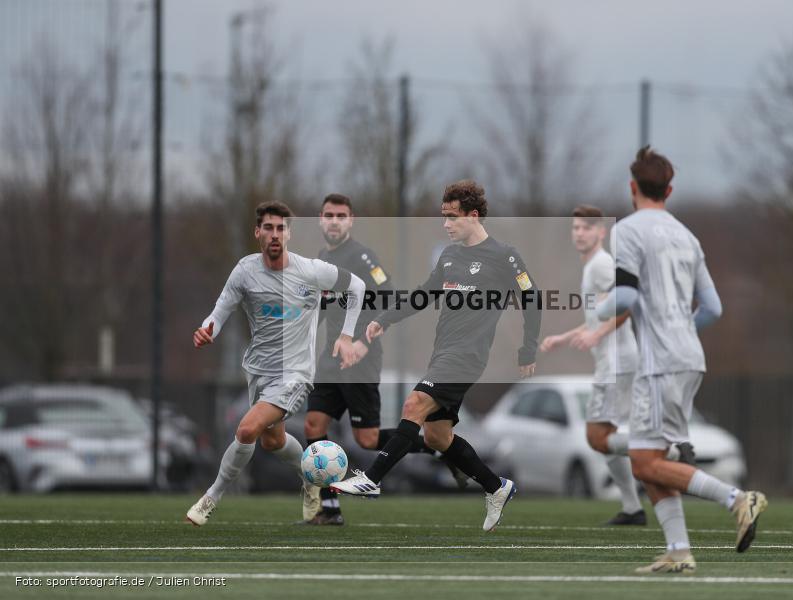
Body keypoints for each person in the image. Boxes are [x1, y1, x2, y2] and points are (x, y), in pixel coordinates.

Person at [331, 180, 542, 532]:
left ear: (474, 216)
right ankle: (496, 486)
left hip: (468, 356)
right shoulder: (449, 256)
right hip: (442, 353)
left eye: (452, 217)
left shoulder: (504, 256)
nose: (446, 224)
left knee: (413, 405)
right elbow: (423, 294)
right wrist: (385, 319)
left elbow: (532, 300)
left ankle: (372, 478)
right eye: (444, 217)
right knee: (436, 437)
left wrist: (527, 348)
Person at [596, 147, 766, 573]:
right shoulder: (688, 236)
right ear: (669, 189)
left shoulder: (629, 231)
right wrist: (680, 328)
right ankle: (678, 551)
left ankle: (737, 499)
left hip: (660, 362)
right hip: (689, 355)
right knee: (651, 461)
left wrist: (596, 310)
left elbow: (626, 296)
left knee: (643, 462)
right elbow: (713, 308)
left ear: (632, 187)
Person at [186, 201, 365, 526]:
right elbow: (220, 309)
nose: (274, 234)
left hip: (295, 373)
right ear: (257, 232)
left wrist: (348, 335)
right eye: (268, 228)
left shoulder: (310, 271)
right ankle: (310, 479)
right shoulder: (245, 271)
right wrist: (208, 329)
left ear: (288, 234)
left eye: (280, 228)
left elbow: (357, 286)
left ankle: (210, 498)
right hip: (259, 371)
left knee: (247, 429)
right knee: (273, 440)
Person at [303, 194, 460, 526]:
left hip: (361, 359)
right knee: (314, 426)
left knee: (367, 439)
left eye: (341, 215)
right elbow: (320, 308)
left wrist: (360, 343)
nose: (334, 221)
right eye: (328, 215)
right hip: (330, 361)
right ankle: (330, 508)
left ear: (351, 220)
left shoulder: (361, 257)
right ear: (320, 219)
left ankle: (439, 449)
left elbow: (388, 295)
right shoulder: (321, 259)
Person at [539, 205, 645, 526]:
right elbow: (595, 317)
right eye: (575, 228)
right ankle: (632, 508)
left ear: (601, 232)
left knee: (596, 436)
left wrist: (597, 335)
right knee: (605, 439)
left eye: (586, 228)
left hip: (617, 362)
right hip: (611, 362)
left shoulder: (602, 265)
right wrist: (563, 337)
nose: (579, 233)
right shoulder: (590, 269)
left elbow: (627, 306)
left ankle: (664, 450)